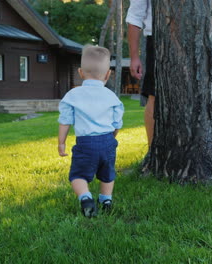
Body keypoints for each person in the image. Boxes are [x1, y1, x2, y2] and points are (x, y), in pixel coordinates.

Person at [58, 45, 124, 218]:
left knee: (78, 175)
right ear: (108, 74)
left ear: (80, 72)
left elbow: (65, 121)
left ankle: (86, 198)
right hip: (108, 142)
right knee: (107, 174)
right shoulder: (112, 96)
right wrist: (112, 136)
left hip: (85, 143)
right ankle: (106, 200)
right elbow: (117, 122)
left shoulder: (72, 95)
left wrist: (61, 143)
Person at [126, 0, 155, 148]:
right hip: (157, 40)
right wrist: (134, 57)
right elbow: (134, 17)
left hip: (202, 36)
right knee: (154, 96)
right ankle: (152, 151)